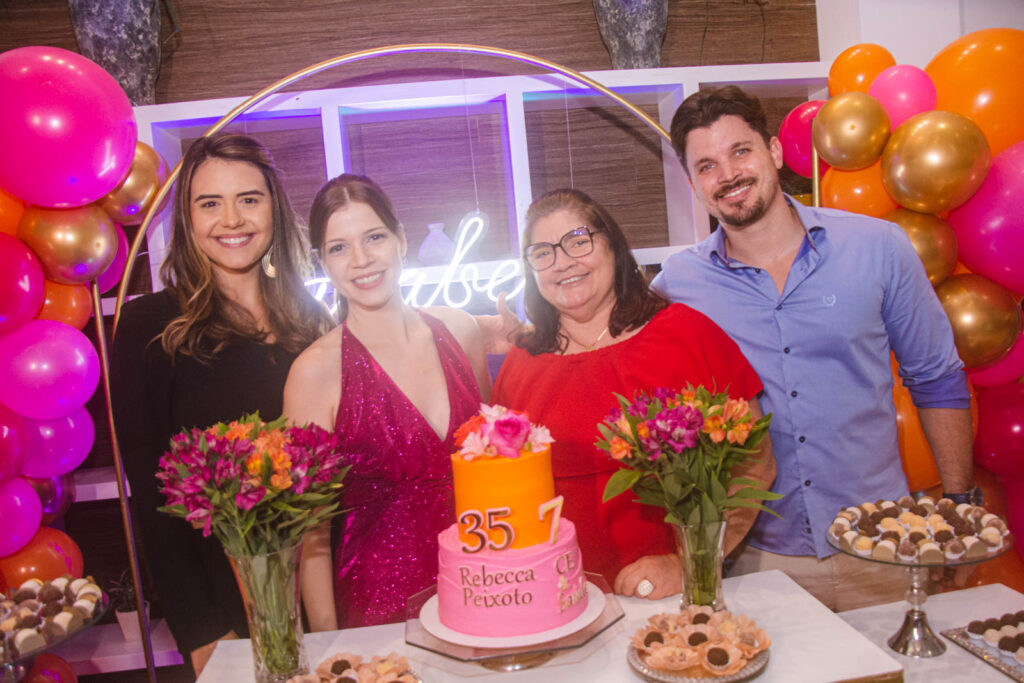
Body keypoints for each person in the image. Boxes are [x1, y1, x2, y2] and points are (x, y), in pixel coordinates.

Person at [652, 85, 975, 611]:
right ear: (692, 184)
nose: (729, 175)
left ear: (775, 152)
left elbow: (936, 377)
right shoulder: (678, 285)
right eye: (707, 165)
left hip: (883, 546)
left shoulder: (878, 248)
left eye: (741, 151)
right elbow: (614, 345)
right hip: (754, 564)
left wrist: (959, 503)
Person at [110, 134, 333, 673]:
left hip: (324, 588)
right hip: (225, 604)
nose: (232, 219)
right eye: (210, 203)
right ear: (187, 219)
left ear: (273, 210)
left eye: (249, 199)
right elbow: (153, 500)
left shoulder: (314, 323)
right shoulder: (150, 328)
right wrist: (203, 631)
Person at [492, 188, 775, 600]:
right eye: (542, 252)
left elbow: (754, 466)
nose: (564, 262)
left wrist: (689, 563)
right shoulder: (521, 363)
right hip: (551, 601)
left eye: (578, 240)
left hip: (669, 596)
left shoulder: (687, 333)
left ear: (613, 244)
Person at [283, 174, 491, 631]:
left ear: (401, 239)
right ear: (323, 262)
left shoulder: (461, 330)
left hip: (487, 584)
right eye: (339, 248)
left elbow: (495, 465)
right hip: (379, 607)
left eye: (373, 237)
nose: (361, 260)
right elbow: (309, 532)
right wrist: (327, 646)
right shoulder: (314, 372)